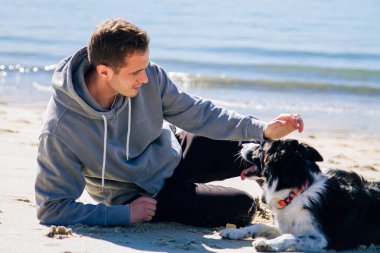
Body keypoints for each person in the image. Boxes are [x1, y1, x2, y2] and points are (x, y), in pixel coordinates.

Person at [35, 18, 303, 228]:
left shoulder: (148, 75)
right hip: (143, 195)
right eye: (136, 72)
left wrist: (263, 128)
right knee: (242, 208)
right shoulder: (61, 128)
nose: (146, 79)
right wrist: (124, 214)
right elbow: (52, 208)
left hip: (173, 151)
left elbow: (197, 112)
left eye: (146, 67)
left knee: (260, 147)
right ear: (104, 71)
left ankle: (313, 200)